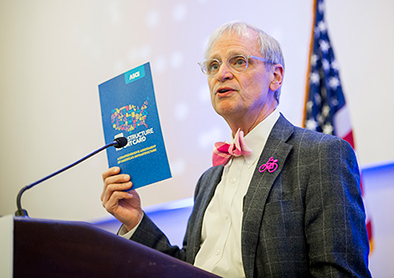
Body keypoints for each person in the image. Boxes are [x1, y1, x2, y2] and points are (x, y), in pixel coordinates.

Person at [101, 21, 371, 277]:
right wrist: (135, 220)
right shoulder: (207, 181)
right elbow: (190, 268)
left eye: (238, 61)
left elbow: (339, 273)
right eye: (213, 66)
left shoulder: (321, 155)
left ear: (275, 77)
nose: (222, 74)